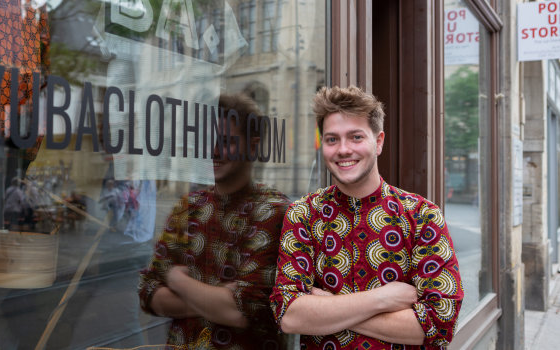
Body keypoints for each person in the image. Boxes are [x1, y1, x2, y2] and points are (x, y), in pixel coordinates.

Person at [270, 86, 464, 349]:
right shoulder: (304, 214)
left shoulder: (421, 215)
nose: (343, 149)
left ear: (379, 141)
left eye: (356, 137)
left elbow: (438, 324)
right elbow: (288, 315)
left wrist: (325, 305)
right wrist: (383, 299)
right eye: (332, 139)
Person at [138, 94, 291, 349]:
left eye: (226, 142)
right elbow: (148, 291)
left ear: (252, 147)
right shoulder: (188, 207)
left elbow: (243, 311)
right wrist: (217, 300)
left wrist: (177, 281)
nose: (214, 151)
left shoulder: (274, 210)